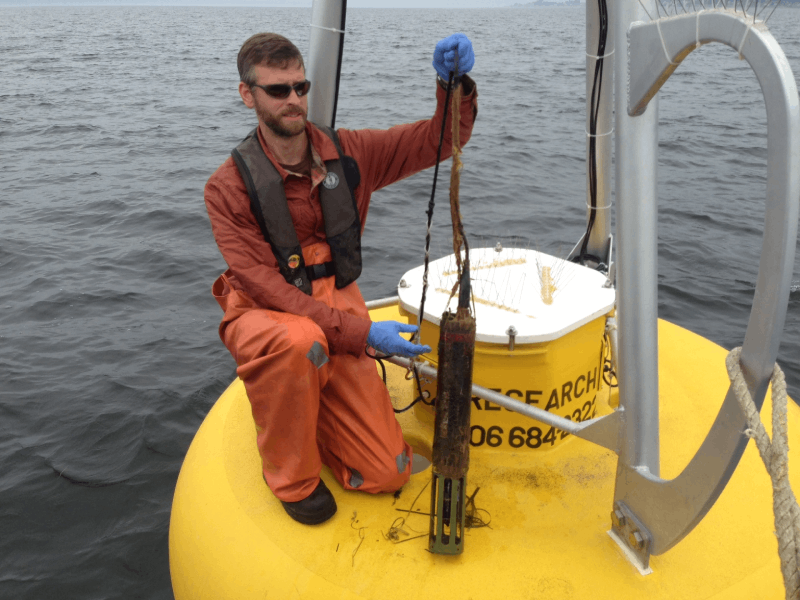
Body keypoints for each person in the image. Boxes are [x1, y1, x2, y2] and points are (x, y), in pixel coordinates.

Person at [204, 31, 477, 525]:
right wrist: (362, 333)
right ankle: (292, 479)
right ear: (248, 95)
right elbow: (264, 285)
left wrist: (452, 84)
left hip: (336, 304)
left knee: (387, 471)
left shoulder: (349, 155)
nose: (294, 100)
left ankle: (318, 409)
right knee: (298, 342)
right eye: (278, 90)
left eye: (300, 87)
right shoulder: (226, 188)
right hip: (267, 312)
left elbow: (440, 139)